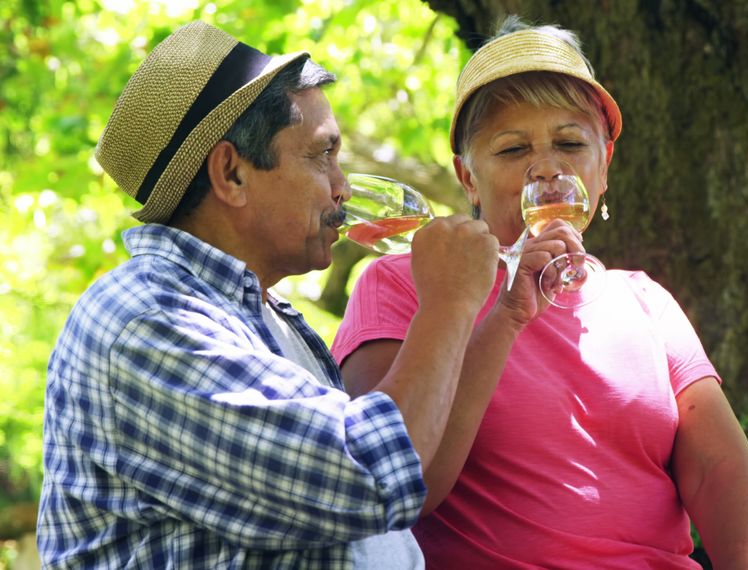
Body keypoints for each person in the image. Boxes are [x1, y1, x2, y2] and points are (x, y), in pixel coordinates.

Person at [37, 21, 499, 568]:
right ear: (231, 173)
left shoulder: (257, 312)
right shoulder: (146, 316)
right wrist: (447, 304)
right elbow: (370, 472)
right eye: (322, 154)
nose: (344, 187)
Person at [331, 16, 748, 569]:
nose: (546, 167)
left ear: (604, 166)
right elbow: (392, 486)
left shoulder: (645, 302)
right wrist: (509, 314)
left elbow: (719, 475)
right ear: (468, 177)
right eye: (513, 150)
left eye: (569, 142)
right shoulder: (403, 285)